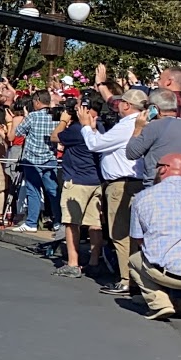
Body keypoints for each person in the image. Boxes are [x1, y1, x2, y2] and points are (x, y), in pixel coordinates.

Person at [127, 153, 181, 328]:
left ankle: (159, 302)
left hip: (166, 273)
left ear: (164, 168)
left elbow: (138, 238)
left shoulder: (142, 197)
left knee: (135, 260)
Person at [79, 90, 146, 297]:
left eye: (121, 103)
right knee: (132, 233)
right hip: (134, 182)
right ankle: (133, 278)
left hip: (121, 183)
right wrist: (94, 130)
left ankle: (127, 279)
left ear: (127, 105)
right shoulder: (138, 123)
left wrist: (84, 127)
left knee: (120, 233)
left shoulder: (128, 124)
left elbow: (95, 145)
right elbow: (107, 144)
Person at [53, 101, 105, 279]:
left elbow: (55, 137)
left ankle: (73, 263)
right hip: (95, 180)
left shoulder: (77, 130)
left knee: (71, 222)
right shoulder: (101, 128)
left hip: (77, 180)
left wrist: (63, 121)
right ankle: (94, 261)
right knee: (94, 223)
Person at [125, 89, 181, 189]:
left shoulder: (154, 127)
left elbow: (131, 153)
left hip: (157, 186)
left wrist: (138, 128)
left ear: (154, 108)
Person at [11, 92, 60, 233]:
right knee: (53, 191)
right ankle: (58, 221)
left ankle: (32, 222)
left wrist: (25, 117)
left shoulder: (32, 116)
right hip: (50, 158)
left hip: (32, 159)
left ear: (38, 101)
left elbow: (18, 132)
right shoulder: (55, 116)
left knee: (33, 191)